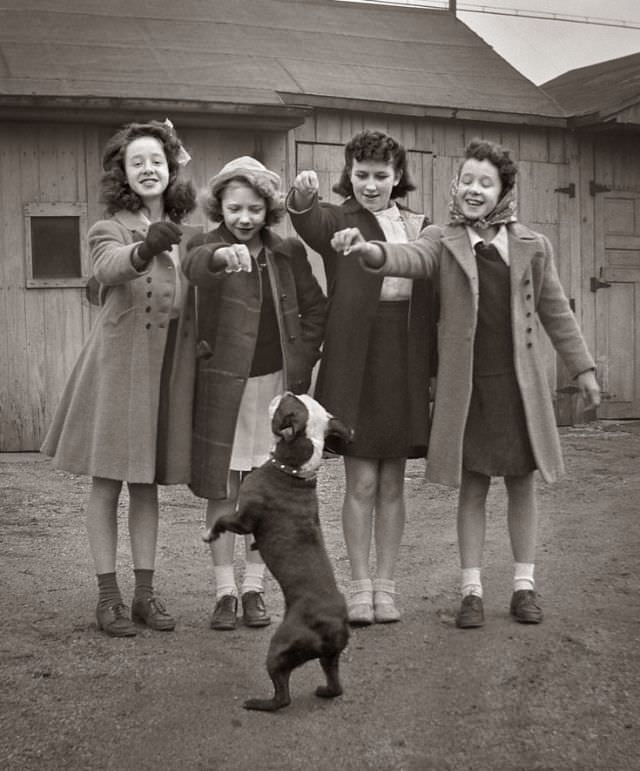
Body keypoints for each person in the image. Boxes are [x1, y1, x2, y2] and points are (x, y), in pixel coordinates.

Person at [331, 137, 601, 628]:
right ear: (456, 186)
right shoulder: (444, 240)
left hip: (519, 390)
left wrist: (582, 369)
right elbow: (407, 257)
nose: (474, 190)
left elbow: (556, 311)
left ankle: (524, 585)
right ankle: (471, 589)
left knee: (522, 486)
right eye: (467, 180)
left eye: (485, 182)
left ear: (504, 190)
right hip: (469, 391)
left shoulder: (532, 246)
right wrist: (371, 250)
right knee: (472, 489)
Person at [41, 120, 198, 637]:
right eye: (137, 162)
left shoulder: (182, 230)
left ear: (171, 167)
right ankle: (107, 597)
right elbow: (109, 269)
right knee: (107, 483)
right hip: (115, 368)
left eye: (157, 160)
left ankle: (145, 597)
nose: (148, 169)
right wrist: (145, 247)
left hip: (160, 375)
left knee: (147, 487)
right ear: (123, 175)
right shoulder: (108, 227)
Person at [287, 130, 437, 625]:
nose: (371, 185)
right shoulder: (339, 217)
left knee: (394, 482)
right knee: (362, 482)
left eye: (381, 176)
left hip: (406, 357)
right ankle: (358, 588)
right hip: (357, 359)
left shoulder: (420, 225)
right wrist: (303, 196)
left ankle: (387, 589)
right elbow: (309, 222)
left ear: (398, 178)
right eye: (361, 175)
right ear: (349, 175)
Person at [182, 156, 327, 631]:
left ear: (269, 210)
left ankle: (254, 588)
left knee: (265, 493)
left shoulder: (285, 252)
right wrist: (221, 257)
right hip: (223, 390)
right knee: (223, 490)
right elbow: (194, 267)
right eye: (234, 208)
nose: (244, 218)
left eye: (255, 209)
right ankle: (224, 591)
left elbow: (314, 310)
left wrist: (301, 363)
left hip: (274, 388)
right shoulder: (206, 246)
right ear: (218, 207)